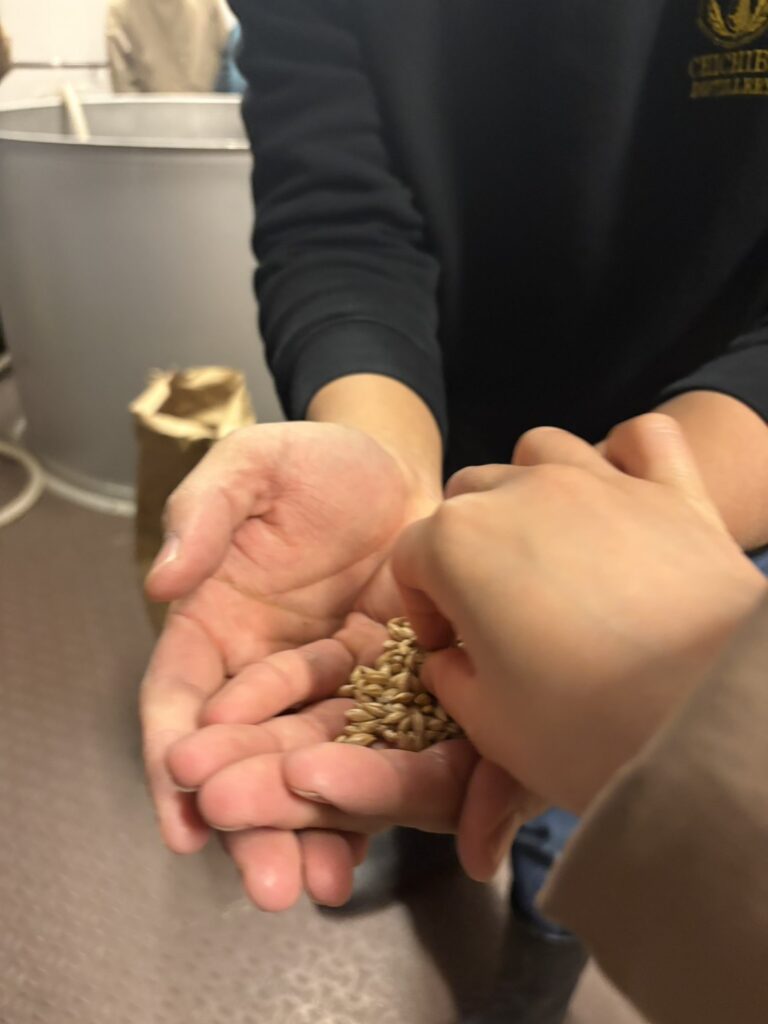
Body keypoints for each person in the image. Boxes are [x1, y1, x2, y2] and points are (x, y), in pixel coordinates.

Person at [140, 4, 768, 1020]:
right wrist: (384, 452)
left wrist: (671, 685)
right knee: (457, 720)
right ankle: (425, 840)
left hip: (717, 460)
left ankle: (544, 944)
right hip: (442, 411)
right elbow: (335, 210)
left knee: (577, 792)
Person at [161, 415, 768, 1024]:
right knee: (462, 772)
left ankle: (539, 974)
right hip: (492, 477)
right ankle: (428, 845)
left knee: (564, 826)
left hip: (711, 533)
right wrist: (388, 440)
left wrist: (687, 694)